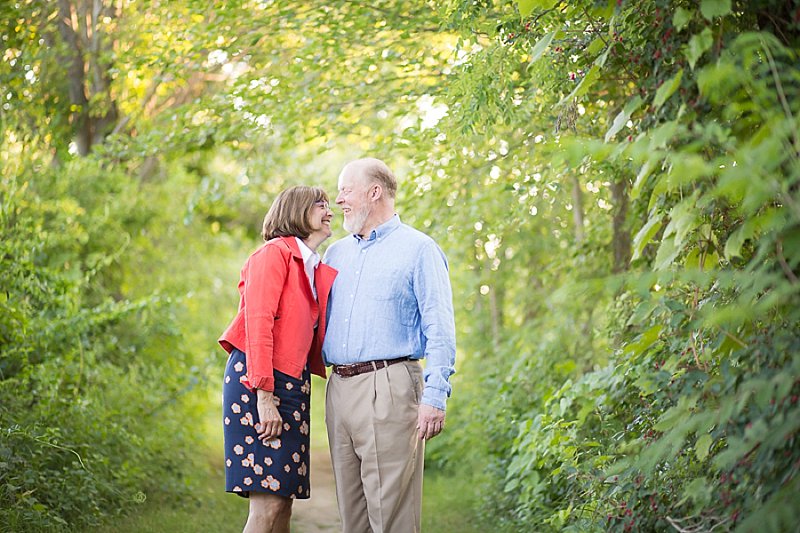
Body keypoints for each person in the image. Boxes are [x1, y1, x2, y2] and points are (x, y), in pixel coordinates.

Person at [322, 158, 456, 533]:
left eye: (346, 190)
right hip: (339, 389)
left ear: (374, 191)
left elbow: (440, 327)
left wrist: (435, 396)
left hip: (391, 386)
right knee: (352, 517)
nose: (339, 199)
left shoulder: (419, 249)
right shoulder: (336, 254)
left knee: (391, 516)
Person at [219, 186, 337, 533]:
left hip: (292, 383)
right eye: (321, 205)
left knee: (282, 501)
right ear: (297, 212)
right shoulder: (273, 254)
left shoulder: (310, 265)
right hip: (259, 383)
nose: (329, 211)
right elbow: (258, 323)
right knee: (268, 505)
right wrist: (265, 396)